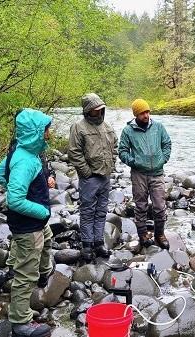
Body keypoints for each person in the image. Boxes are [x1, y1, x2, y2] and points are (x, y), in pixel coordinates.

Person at [0, 108, 53, 337]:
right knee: (24, 274)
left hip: (31, 225)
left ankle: (43, 272)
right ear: (36, 132)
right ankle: (20, 322)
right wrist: (41, 210)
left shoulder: (20, 150)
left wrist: (12, 183)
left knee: (47, 239)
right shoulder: (26, 161)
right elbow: (15, 200)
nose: (49, 133)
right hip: (29, 225)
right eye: (46, 129)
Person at [67, 93, 117, 262]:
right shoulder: (78, 127)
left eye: (101, 109)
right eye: (96, 109)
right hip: (90, 178)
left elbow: (114, 145)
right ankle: (87, 244)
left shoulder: (107, 126)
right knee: (87, 211)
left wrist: (112, 162)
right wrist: (86, 172)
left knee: (102, 211)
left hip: (105, 176)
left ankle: (99, 242)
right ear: (88, 111)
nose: (99, 111)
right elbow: (74, 152)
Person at [118, 98, 172, 250]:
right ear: (136, 114)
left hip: (157, 172)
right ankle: (142, 234)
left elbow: (167, 144)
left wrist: (164, 158)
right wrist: (134, 161)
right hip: (139, 174)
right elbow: (122, 151)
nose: (146, 115)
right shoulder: (128, 131)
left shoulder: (158, 127)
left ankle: (159, 234)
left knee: (160, 206)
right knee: (140, 205)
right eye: (142, 113)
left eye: (147, 112)